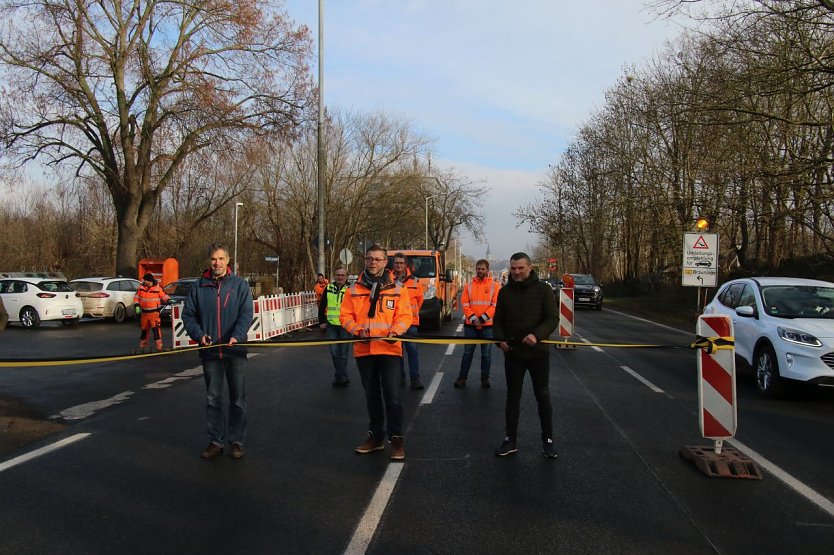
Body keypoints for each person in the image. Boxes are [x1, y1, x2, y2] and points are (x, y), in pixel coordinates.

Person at [340, 244, 412, 461]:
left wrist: (395, 331)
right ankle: (376, 437)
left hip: (389, 349)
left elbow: (405, 316)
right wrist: (356, 330)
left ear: (385, 262)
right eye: (370, 258)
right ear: (365, 260)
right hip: (364, 350)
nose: (373, 262)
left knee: (393, 397)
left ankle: (396, 439)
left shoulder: (397, 288)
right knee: (371, 396)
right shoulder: (353, 289)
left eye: (378, 259)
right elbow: (345, 316)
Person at [182, 243, 254, 460]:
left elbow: (246, 314)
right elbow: (188, 316)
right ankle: (216, 441)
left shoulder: (239, 285)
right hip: (211, 352)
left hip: (235, 351)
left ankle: (237, 441)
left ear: (228, 260)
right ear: (209, 261)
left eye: (221, 259)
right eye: (214, 259)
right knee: (213, 399)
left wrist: (237, 335)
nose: (217, 263)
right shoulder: (198, 287)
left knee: (238, 399)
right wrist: (199, 335)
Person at [492, 252, 559, 459]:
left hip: (538, 354)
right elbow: (497, 321)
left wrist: (536, 335)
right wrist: (500, 340)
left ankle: (548, 441)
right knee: (512, 397)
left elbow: (552, 319)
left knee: (542, 396)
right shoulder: (504, 292)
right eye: (513, 268)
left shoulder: (543, 290)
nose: (517, 272)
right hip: (513, 354)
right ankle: (510, 439)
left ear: (529, 268)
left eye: (521, 268)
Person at [455, 259, 500, 388]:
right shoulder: (468, 286)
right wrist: (474, 319)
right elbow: (465, 304)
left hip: (487, 326)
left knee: (486, 355)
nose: (480, 271)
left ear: (487, 270)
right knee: (467, 353)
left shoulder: (495, 286)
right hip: (471, 326)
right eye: (478, 268)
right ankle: (462, 378)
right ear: (476, 269)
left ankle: (485, 379)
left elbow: (495, 305)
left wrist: (482, 319)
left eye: (483, 269)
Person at [392, 252, 424, 390]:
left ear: (406, 265)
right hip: (394, 323)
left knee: (412, 350)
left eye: (401, 263)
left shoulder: (415, 281)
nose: (398, 265)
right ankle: (400, 378)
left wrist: (410, 314)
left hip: (411, 323)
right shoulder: (388, 280)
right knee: (397, 352)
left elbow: (420, 300)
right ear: (393, 264)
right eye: (396, 263)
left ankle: (415, 379)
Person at [319, 267, 352, 387]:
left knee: (343, 353)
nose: (340, 277)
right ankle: (341, 376)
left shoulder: (351, 289)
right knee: (334, 352)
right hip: (331, 325)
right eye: (338, 275)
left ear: (346, 277)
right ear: (334, 276)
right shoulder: (328, 288)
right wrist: (321, 321)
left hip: (345, 325)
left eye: (342, 275)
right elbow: (322, 306)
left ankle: (341, 376)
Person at [133, 273, 170, 352]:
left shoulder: (157, 288)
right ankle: (143, 346)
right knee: (144, 330)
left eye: (145, 280)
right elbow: (136, 297)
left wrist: (169, 300)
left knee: (156, 330)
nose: (143, 281)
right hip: (144, 313)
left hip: (154, 313)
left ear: (149, 281)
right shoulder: (141, 288)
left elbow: (163, 296)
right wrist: (136, 305)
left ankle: (159, 346)